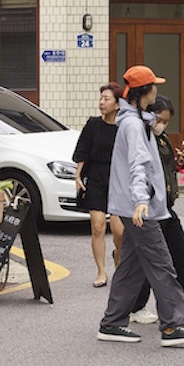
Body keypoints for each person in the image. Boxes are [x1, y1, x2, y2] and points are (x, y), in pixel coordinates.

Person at [97, 66, 184, 347]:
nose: (157, 89)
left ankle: (112, 323)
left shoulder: (135, 122)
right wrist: (141, 201)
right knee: (162, 264)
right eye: (154, 85)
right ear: (145, 91)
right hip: (139, 209)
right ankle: (172, 326)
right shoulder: (134, 125)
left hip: (133, 206)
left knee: (131, 267)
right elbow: (137, 165)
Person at [127, 95, 184, 323]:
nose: (161, 125)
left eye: (166, 121)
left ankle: (181, 304)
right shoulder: (141, 136)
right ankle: (137, 307)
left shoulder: (161, 138)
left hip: (165, 206)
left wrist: (177, 162)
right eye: (159, 119)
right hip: (148, 207)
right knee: (149, 261)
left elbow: (163, 170)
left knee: (181, 254)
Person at [73, 82, 124, 288]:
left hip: (118, 179)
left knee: (119, 232)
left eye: (106, 99)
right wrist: (78, 176)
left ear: (118, 104)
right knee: (97, 226)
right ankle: (101, 271)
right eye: (101, 98)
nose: (101, 102)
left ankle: (118, 257)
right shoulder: (93, 124)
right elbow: (82, 150)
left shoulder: (124, 127)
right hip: (95, 177)